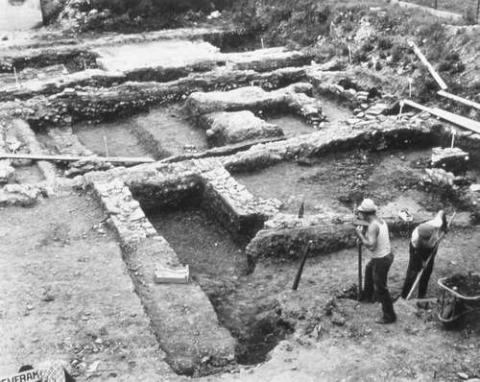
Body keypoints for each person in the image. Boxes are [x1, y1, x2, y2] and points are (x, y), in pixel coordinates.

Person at [355, 198, 397, 324]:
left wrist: (360, 235)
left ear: (365, 213)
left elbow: (371, 245)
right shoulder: (380, 221)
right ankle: (368, 297)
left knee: (381, 287)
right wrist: (363, 230)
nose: (359, 214)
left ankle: (389, 316)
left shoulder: (373, 226)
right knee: (368, 270)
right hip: (387, 255)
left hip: (381, 259)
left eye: (361, 212)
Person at [401, 210, 448, 299]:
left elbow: (442, 212)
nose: (424, 241)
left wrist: (445, 227)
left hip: (431, 248)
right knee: (413, 271)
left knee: (427, 271)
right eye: (423, 239)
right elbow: (416, 252)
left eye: (426, 239)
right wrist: (422, 261)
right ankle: (404, 295)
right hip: (417, 251)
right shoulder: (416, 239)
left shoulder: (436, 224)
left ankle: (421, 295)